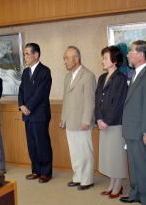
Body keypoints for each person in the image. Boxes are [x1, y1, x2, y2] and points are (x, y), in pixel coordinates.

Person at [120, 40, 146, 204]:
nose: (128, 54)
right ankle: (136, 193)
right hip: (131, 129)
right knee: (135, 167)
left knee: (144, 168)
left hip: (141, 131)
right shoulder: (136, 73)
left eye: (131, 51)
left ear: (141, 55)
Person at [60, 46, 96, 190]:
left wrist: (86, 121)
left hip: (82, 122)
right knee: (74, 152)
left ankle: (87, 180)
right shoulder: (68, 76)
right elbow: (66, 99)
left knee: (85, 151)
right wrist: (63, 118)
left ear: (76, 58)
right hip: (70, 120)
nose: (65, 61)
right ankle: (78, 177)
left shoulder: (88, 75)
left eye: (67, 58)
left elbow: (90, 100)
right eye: (65, 58)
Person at [95, 46, 128, 198]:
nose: (103, 61)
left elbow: (118, 104)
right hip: (103, 123)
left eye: (105, 58)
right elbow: (97, 100)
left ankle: (118, 185)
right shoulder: (102, 78)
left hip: (114, 124)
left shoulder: (120, 78)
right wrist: (99, 118)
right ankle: (112, 183)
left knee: (116, 156)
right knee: (108, 155)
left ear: (114, 61)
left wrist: (106, 121)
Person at [18, 43, 53, 183]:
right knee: (32, 144)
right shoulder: (25, 72)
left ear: (36, 55)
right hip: (27, 114)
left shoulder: (45, 71)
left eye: (27, 53)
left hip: (39, 114)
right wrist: (21, 105)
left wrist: (29, 106)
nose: (25, 56)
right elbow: (21, 90)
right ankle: (36, 170)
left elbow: (41, 93)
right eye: (24, 53)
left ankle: (46, 172)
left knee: (42, 143)